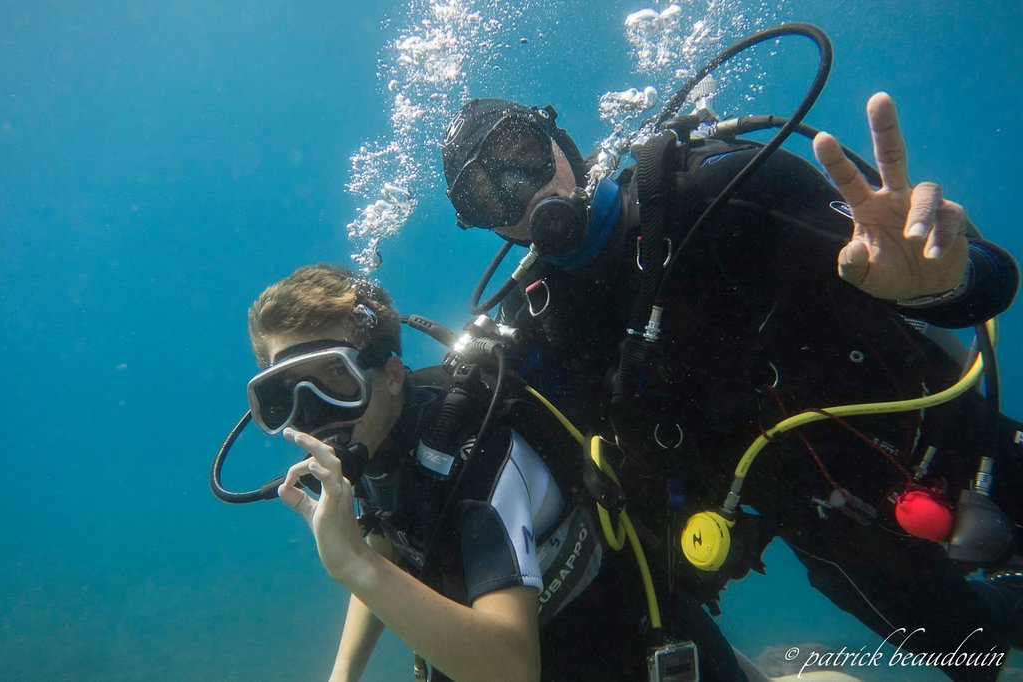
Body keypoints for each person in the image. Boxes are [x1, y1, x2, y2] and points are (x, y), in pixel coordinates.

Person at [439, 91, 1023, 682]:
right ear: (479, 223)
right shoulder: (537, 329)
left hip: (942, 430)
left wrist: (948, 280)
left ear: (560, 143)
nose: (520, 191)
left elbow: (988, 281)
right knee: (979, 649)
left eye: (521, 154)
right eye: (486, 195)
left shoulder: (726, 185)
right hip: (831, 529)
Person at [243, 264, 664, 681]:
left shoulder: (478, 453)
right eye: (288, 390)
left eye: (337, 375)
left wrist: (353, 564)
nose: (315, 410)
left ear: (391, 376)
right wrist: (343, 674)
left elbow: (513, 671)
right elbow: (388, 537)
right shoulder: (374, 443)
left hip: (607, 656)